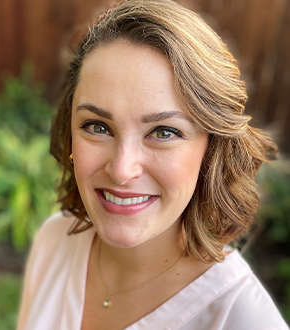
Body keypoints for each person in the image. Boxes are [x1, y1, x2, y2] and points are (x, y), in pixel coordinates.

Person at [17, 0, 289, 329]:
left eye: (163, 132)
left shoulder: (242, 318)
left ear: (211, 150)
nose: (121, 169)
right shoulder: (54, 241)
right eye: (97, 127)